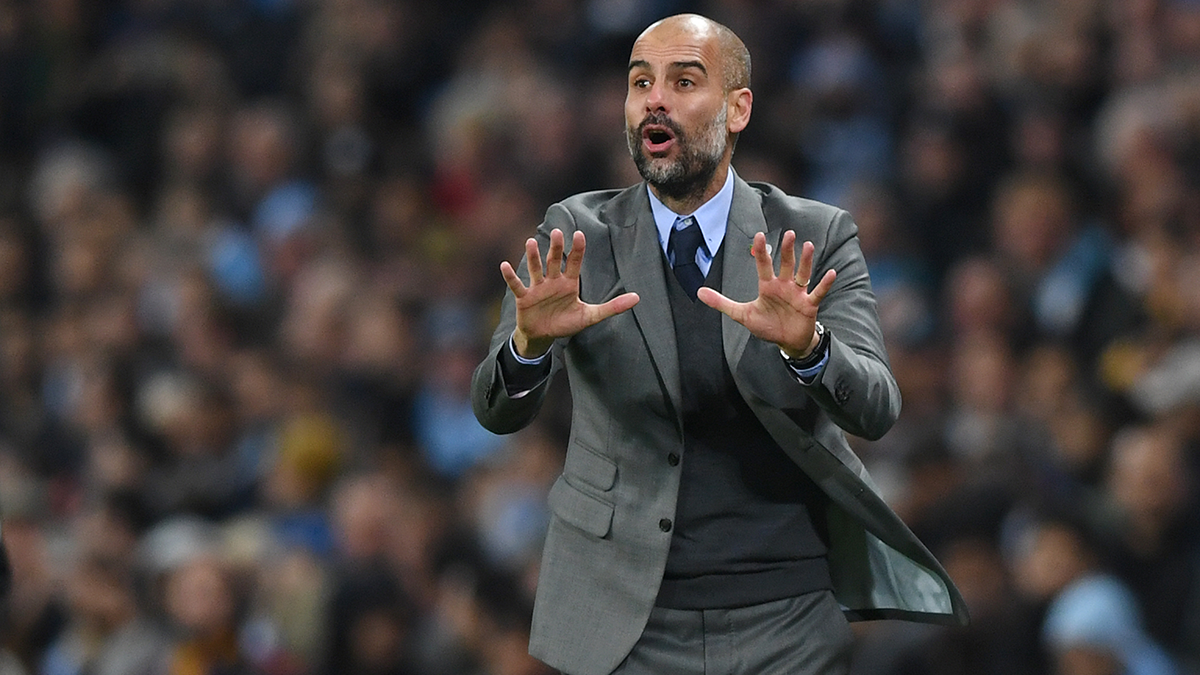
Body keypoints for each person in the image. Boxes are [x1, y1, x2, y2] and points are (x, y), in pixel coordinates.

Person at [471, 13, 967, 675]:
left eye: (683, 80)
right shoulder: (576, 234)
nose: (654, 98)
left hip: (786, 611)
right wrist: (527, 346)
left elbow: (875, 407)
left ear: (738, 108)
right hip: (624, 616)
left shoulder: (813, 236)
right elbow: (494, 408)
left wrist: (811, 347)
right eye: (640, 81)